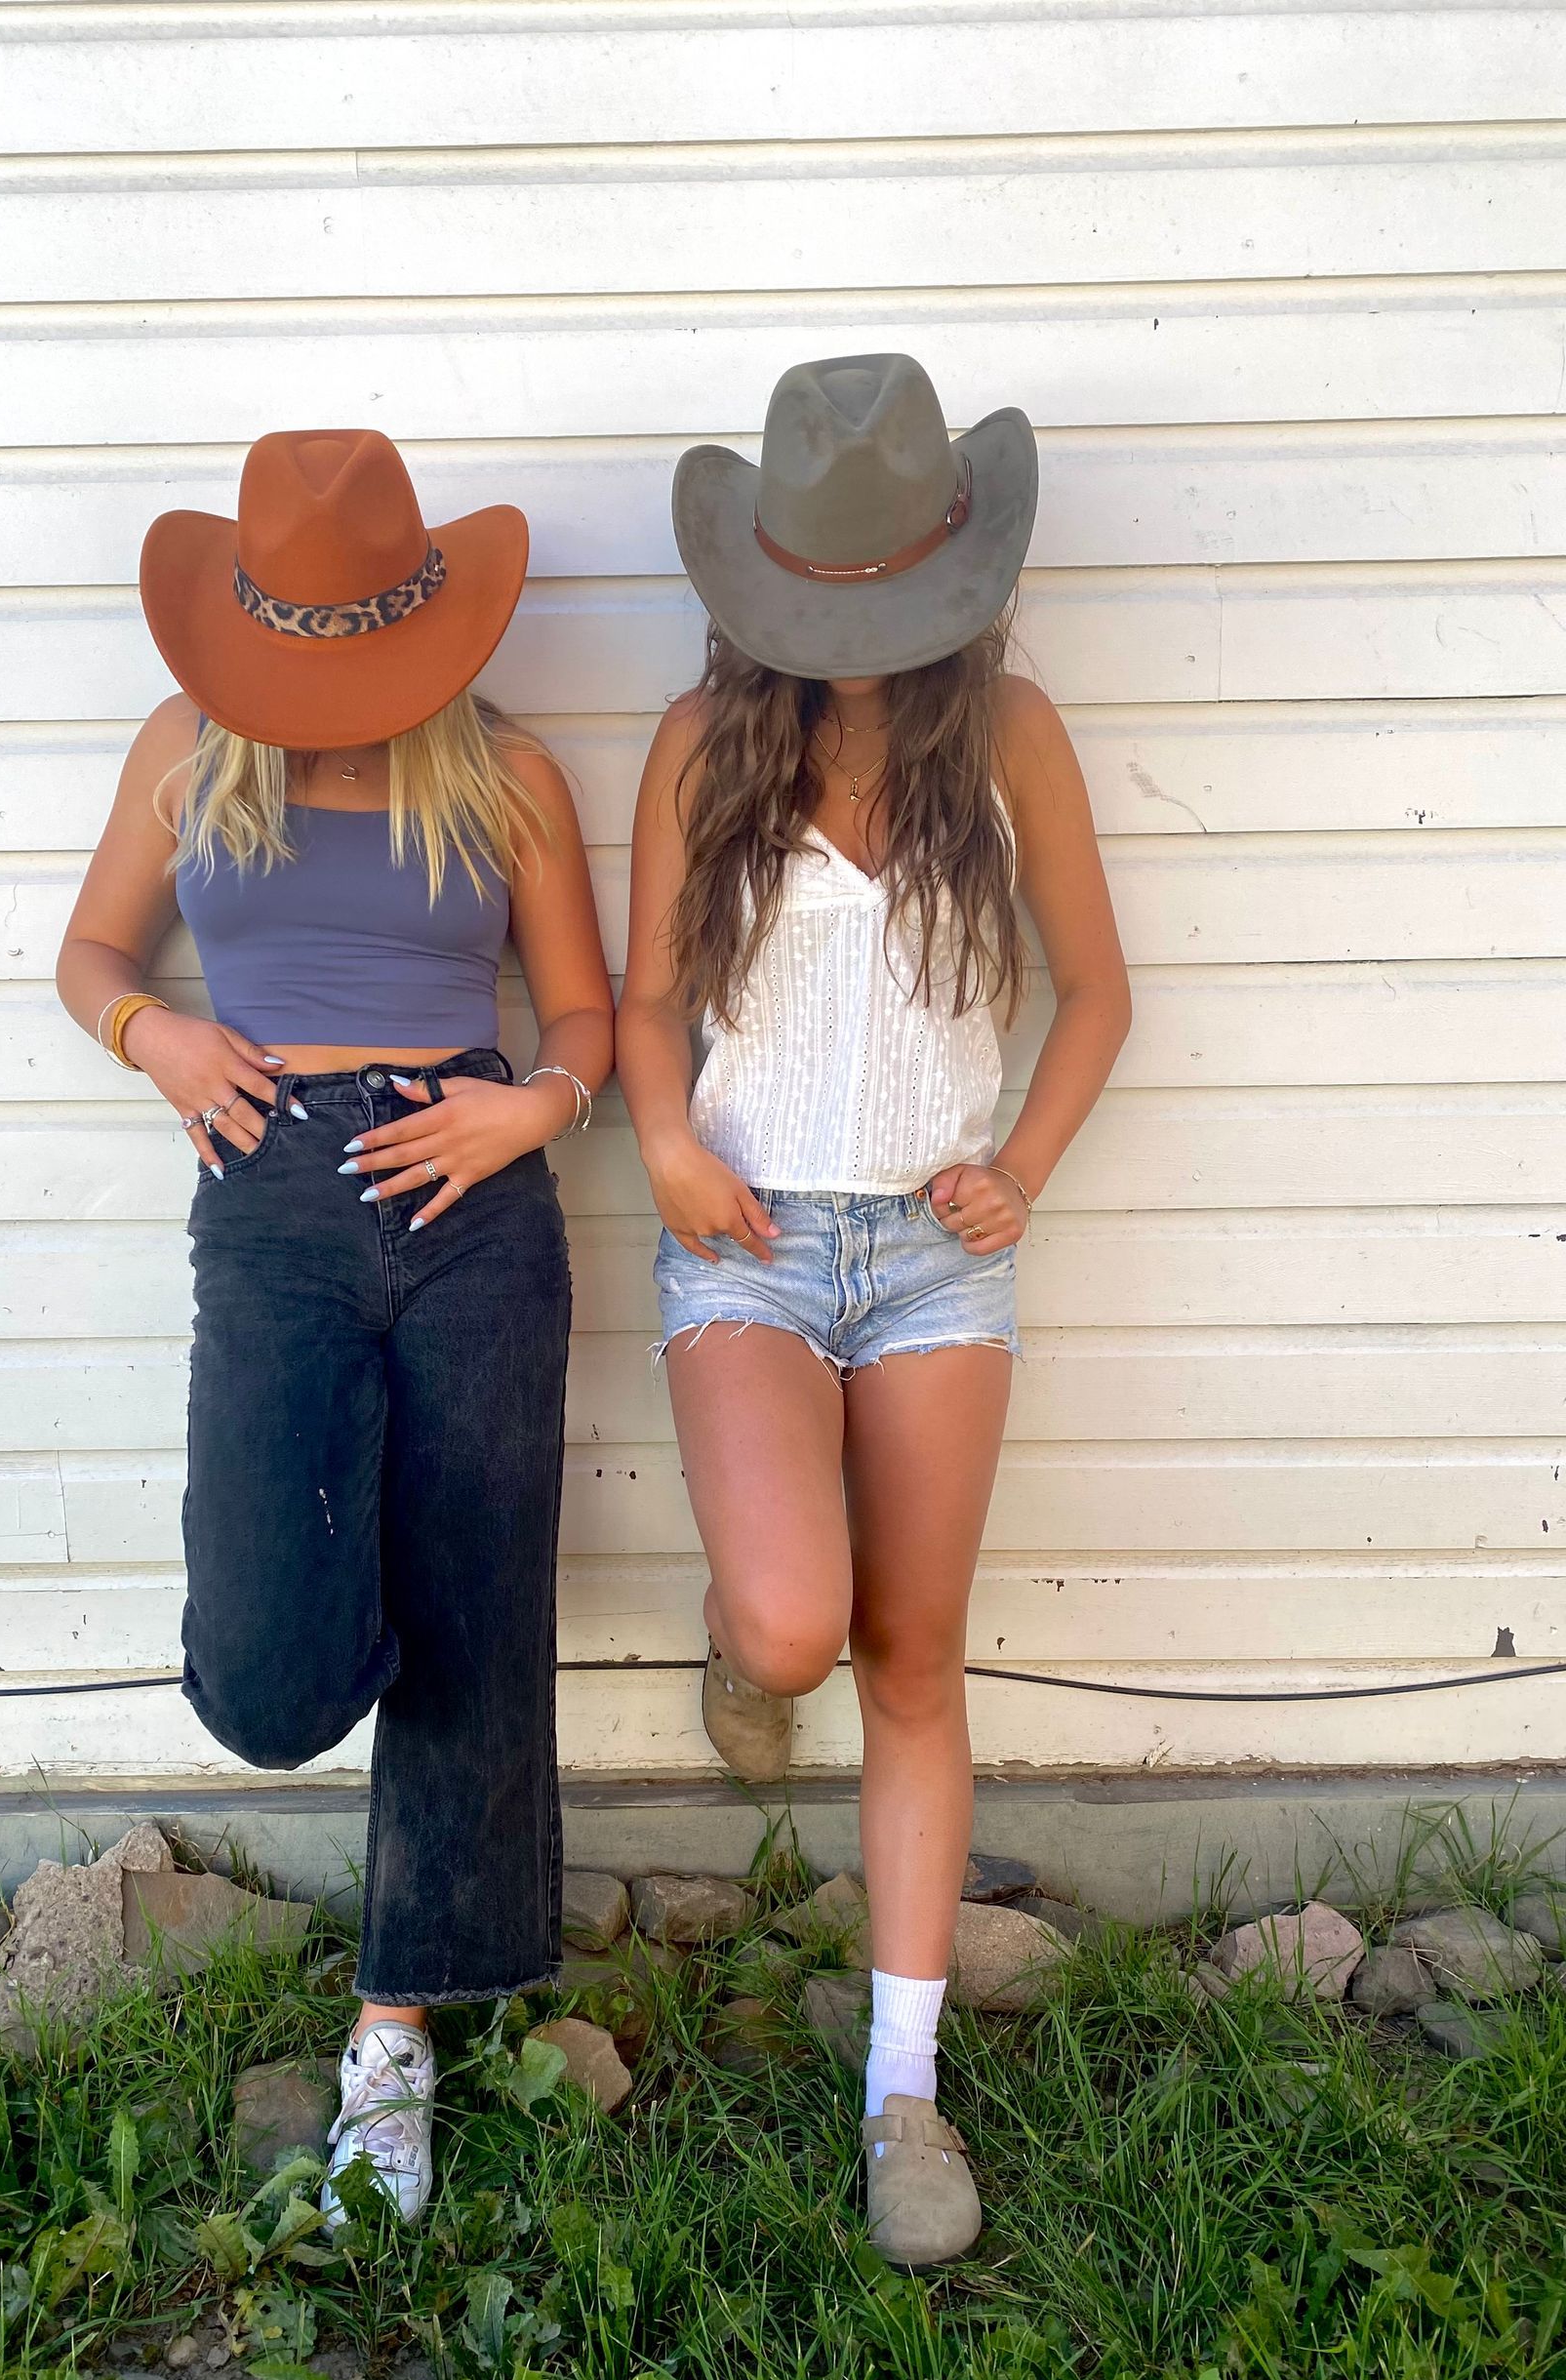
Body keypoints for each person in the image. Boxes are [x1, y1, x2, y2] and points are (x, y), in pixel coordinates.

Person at [56, 429, 613, 2228]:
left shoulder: (506, 772)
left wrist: (535, 1106)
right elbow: (91, 961)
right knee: (277, 1663)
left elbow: (589, 1012)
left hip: (472, 1198)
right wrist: (162, 1041)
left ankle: (399, 2026)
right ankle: (387, 1801)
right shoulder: (184, 748)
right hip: (273, 1197)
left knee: (469, 1616)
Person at [617, 355, 1130, 2266]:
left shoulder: (1012, 739)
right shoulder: (700, 739)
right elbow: (652, 993)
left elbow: (1095, 990)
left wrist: (1026, 1163)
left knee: (912, 1654)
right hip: (745, 1234)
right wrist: (660, 1129)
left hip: (932, 1250)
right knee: (795, 1613)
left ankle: (901, 2091)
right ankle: (753, 1642)